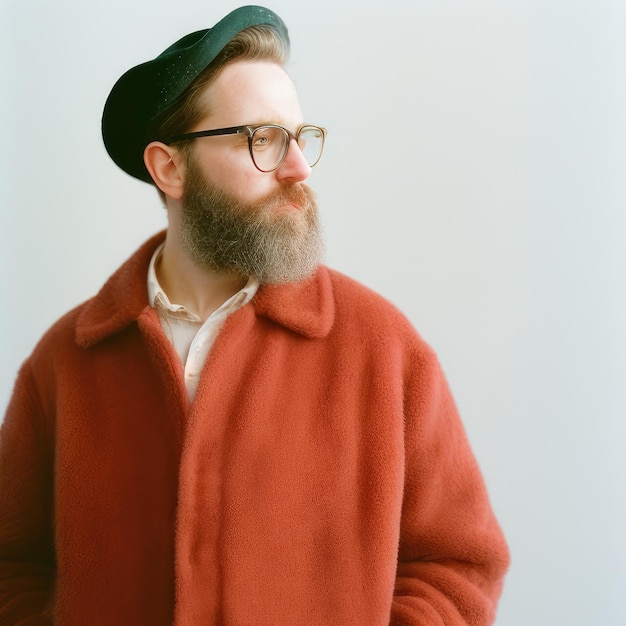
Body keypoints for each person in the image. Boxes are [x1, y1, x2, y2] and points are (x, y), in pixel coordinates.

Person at [0, 5, 510, 624]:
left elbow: (458, 565)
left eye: (300, 137)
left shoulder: (383, 349)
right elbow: (12, 565)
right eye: (261, 139)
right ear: (170, 166)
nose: (298, 167)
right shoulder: (67, 360)